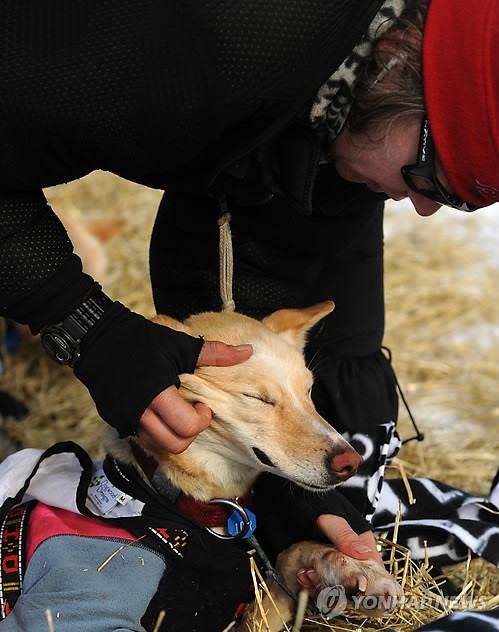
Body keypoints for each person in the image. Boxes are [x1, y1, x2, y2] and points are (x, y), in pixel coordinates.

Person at [0, 0, 497, 628]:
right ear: (398, 63)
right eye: (436, 182)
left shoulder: (346, 114)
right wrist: (84, 322)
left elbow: (248, 302)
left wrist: (293, 500)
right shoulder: (190, 53)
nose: (424, 210)